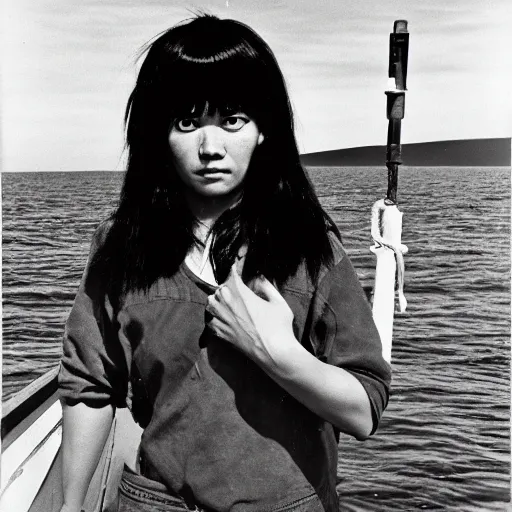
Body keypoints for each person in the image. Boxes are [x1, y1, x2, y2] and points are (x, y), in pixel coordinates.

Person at [58, 13, 391, 512]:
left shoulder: (310, 248)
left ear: (264, 131)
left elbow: (364, 410)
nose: (210, 147)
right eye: (187, 122)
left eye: (232, 120)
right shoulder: (121, 245)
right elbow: (90, 385)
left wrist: (278, 353)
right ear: (158, 132)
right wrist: (69, 505)